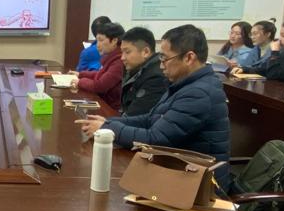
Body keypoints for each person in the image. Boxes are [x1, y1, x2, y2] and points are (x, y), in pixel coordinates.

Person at [76, 24, 231, 189]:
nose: (161, 65)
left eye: (165, 59)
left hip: (200, 186)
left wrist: (108, 129)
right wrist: (109, 123)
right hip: (182, 173)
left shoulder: (199, 94)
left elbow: (156, 140)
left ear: (189, 58)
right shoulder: (184, 84)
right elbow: (150, 119)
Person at [70, 22, 125, 110]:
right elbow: (101, 74)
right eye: (97, 41)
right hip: (104, 103)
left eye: (101, 40)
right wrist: (80, 74)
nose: (97, 45)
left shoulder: (119, 61)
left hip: (110, 109)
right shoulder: (112, 57)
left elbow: (100, 86)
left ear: (114, 41)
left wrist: (80, 82)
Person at [119, 27, 168, 116]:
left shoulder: (156, 78)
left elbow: (136, 115)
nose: (122, 58)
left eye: (127, 52)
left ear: (146, 52)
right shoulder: (135, 69)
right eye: (122, 52)